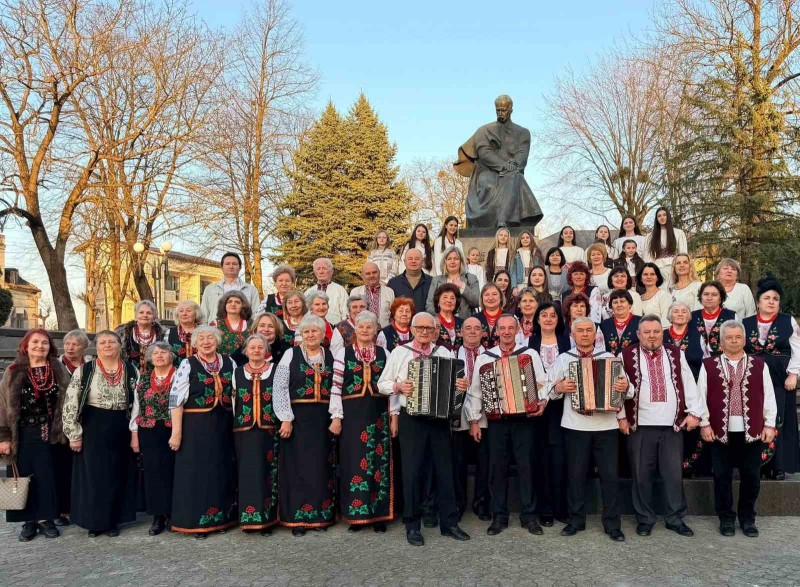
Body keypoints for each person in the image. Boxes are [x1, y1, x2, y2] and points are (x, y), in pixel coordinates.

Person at [377, 312, 471, 546]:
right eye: (420, 328)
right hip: (412, 419)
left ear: (435, 331)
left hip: (439, 420)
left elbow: (456, 388)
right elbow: (382, 385)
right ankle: (412, 526)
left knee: (445, 471)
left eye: (429, 328)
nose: (425, 332)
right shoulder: (400, 352)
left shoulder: (444, 353)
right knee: (412, 472)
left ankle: (449, 524)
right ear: (412, 330)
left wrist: (462, 385)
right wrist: (399, 386)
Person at [545, 318, 633, 542]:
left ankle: (612, 524)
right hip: (575, 426)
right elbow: (547, 390)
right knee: (575, 476)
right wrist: (559, 387)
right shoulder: (564, 359)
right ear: (572, 335)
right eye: (580, 331)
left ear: (595, 335)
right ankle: (576, 520)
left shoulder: (609, 358)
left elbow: (629, 390)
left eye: (588, 331)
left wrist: (624, 387)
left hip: (606, 427)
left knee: (610, 476)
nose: (584, 334)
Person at [619, 315, 703, 538]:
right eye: (647, 332)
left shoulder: (676, 353)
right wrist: (621, 417)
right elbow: (617, 388)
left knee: (673, 475)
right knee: (641, 475)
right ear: (638, 334)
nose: (652, 336)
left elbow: (688, 382)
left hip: (671, 425)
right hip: (639, 426)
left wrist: (695, 412)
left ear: (662, 333)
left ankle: (675, 518)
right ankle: (645, 519)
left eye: (656, 331)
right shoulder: (625, 355)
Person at [466, 315, 547, 536]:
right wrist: (474, 420)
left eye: (511, 328)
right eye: (502, 328)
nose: (507, 332)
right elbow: (475, 392)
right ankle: (499, 516)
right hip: (496, 422)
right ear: (497, 332)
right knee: (497, 469)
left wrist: (542, 401)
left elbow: (542, 383)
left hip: (524, 421)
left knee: (527, 467)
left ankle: (529, 516)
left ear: (517, 329)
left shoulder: (529, 354)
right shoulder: (486, 357)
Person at [698, 320, 777, 537]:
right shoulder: (709, 365)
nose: (734, 340)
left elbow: (768, 395)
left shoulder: (759, 364)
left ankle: (748, 519)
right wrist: (704, 423)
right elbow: (700, 396)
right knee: (721, 476)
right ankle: (726, 519)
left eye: (738, 337)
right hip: (719, 431)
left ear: (744, 340)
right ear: (721, 342)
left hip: (751, 431)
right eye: (729, 337)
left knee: (751, 477)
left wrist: (770, 424)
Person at [62, 330, 139, 537]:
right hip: (93, 425)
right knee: (94, 475)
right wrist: (74, 434)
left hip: (121, 425)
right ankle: (95, 522)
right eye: (102, 342)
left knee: (117, 473)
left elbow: (137, 404)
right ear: (96, 347)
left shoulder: (131, 370)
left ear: (119, 345)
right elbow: (71, 402)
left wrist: (134, 432)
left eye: (111, 342)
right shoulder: (85, 370)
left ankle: (112, 520)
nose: (107, 345)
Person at [0, 329, 71, 542]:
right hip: (23, 433)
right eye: (35, 342)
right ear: (26, 345)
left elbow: (70, 400)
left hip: (52, 431)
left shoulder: (57, 368)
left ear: (50, 347)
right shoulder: (13, 370)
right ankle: (28, 521)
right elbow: (3, 405)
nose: (40, 346)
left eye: (45, 343)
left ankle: (46, 518)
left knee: (49, 475)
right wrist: (4, 437)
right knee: (25, 475)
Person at [329, 312, 396, 532]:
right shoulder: (343, 353)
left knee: (378, 463)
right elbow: (336, 386)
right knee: (353, 462)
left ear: (376, 330)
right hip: (352, 417)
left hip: (378, 417)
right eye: (361, 327)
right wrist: (336, 417)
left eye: (369, 327)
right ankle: (356, 515)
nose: (365, 330)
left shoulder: (384, 353)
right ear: (355, 330)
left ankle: (378, 516)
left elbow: (391, 385)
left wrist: (394, 417)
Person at [169, 326, 237, 539]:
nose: (206, 342)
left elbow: (236, 395)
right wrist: (177, 433)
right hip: (195, 429)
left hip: (223, 427)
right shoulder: (187, 364)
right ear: (195, 343)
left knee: (221, 471)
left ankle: (222, 520)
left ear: (217, 341)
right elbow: (176, 400)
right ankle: (197, 523)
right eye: (202, 339)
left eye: (210, 338)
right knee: (196, 473)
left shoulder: (230, 362)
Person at [274, 316, 336, 536]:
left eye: (315, 331)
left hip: (323, 420)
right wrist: (285, 418)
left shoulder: (330, 355)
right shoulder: (291, 354)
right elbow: (280, 387)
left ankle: (320, 516)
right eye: (307, 331)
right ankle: (297, 518)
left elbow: (337, 387)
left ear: (322, 334)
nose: (311, 335)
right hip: (297, 419)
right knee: (297, 467)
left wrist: (336, 417)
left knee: (321, 466)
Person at [454, 94, 543, 228]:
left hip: (512, 172)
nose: (500, 113)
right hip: (487, 171)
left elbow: (522, 155)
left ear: (511, 110)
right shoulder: (484, 130)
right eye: (498, 110)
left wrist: (513, 165)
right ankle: (500, 221)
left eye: (504, 110)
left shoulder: (523, 132)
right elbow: (484, 152)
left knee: (514, 177)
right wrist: (504, 165)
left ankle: (504, 220)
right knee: (488, 185)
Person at [232, 334, 291, 535]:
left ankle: (268, 520)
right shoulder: (237, 372)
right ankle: (249, 519)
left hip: (269, 430)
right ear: (246, 351)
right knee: (247, 474)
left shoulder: (276, 370)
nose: (256, 350)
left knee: (268, 473)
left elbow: (283, 396)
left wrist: (286, 419)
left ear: (266, 350)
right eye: (252, 347)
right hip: (244, 432)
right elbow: (233, 402)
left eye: (260, 347)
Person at [743, 276, 800, 480]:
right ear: (758, 302)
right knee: (756, 417)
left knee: (779, 419)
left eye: (775, 299)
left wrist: (794, 374)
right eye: (766, 298)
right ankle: (758, 465)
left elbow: (797, 349)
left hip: (780, 378)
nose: (771, 302)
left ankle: (778, 466)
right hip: (753, 377)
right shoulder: (746, 323)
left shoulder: (787, 321)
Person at [528, 302, 572, 526]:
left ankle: (560, 508)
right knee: (540, 458)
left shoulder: (567, 341)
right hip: (536, 407)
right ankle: (544, 509)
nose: (548, 319)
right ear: (537, 319)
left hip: (562, 406)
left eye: (552, 315)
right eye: (543, 315)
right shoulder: (528, 342)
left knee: (560, 458)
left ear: (558, 319)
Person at [129, 342, 176, 536]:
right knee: (153, 473)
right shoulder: (143, 378)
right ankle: (158, 516)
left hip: (173, 429)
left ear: (171, 356)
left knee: (173, 471)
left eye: (163, 352)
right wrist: (134, 434)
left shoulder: (180, 375)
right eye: (155, 353)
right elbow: (136, 407)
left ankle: (173, 513)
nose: (159, 356)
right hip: (148, 430)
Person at [452, 317, 490, 520]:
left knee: (485, 461)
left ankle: (481, 503)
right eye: (468, 328)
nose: (473, 332)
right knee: (459, 462)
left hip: (484, 415)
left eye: (477, 328)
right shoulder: (451, 354)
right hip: (459, 415)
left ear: (483, 333)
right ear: (461, 332)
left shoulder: (491, 355)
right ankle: (459, 504)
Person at [56, 329, 91, 525]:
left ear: (84, 347)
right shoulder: (56, 365)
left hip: (87, 422)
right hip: (61, 423)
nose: (70, 348)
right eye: (67, 344)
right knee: (62, 466)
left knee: (82, 467)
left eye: (75, 344)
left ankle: (80, 505)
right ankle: (62, 509)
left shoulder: (91, 365)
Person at [200, 252, 261, 323]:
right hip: (214, 329)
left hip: (243, 329)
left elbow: (256, 316)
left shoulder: (251, 290)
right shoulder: (210, 289)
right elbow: (203, 315)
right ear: (222, 267)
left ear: (240, 267)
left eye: (234, 264)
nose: (231, 266)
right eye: (227, 264)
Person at [426, 246, 480, 319]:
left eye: (456, 259)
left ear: (461, 261)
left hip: (465, 322)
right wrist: (440, 318)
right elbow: (429, 305)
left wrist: (463, 287)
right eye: (449, 259)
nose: (452, 262)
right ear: (445, 262)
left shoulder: (471, 278)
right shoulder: (436, 280)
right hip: (441, 322)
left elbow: (477, 302)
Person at [115, 300, 166, 373]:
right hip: (128, 375)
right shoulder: (122, 333)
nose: (145, 315)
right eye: (141, 312)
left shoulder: (164, 335)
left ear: (154, 317)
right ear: (136, 316)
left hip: (155, 376)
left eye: (149, 313)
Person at [644, 207, 688, 287]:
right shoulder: (650, 236)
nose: (662, 217)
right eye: (659, 216)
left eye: (664, 215)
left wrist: (680, 268)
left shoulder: (678, 233)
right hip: (658, 270)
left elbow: (683, 254)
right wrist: (651, 271)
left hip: (674, 269)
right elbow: (647, 257)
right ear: (656, 219)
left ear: (668, 216)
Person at [692, 281, 737, 359]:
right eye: (706, 294)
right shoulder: (692, 316)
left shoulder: (731, 316)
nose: (709, 298)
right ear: (701, 297)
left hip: (724, 359)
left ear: (720, 298)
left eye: (714, 294)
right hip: (696, 361)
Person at [210, 290, 252, 363]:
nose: (233, 304)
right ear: (224, 305)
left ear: (243, 306)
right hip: (222, 365)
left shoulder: (252, 324)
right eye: (229, 302)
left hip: (246, 365)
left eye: (237, 302)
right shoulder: (215, 324)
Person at [305, 258, 349, 325]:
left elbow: (346, 315)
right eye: (318, 269)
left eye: (324, 268)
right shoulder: (308, 292)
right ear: (315, 272)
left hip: (335, 329)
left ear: (331, 271)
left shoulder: (340, 290)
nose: (321, 271)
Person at [388, 248, 433, 315]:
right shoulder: (393, 283)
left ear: (422, 262)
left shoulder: (432, 282)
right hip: (401, 321)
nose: (413, 261)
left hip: (425, 321)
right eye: (410, 259)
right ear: (404, 262)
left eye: (417, 259)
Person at [351, 261, 395, 328]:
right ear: (362, 276)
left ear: (379, 273)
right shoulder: (355, 292)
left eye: (374, 272)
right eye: (368, 273)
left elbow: (393, 316)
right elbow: (351, 315)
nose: (372, 276)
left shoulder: (389, 292)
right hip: (362, 332)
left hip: (384, 332)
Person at [599, 290, 641, 356]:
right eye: (615, 302)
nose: (619, 305)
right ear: (611, 306)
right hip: (610, 361)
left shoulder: (641, 322)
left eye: (622, 301)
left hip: (634, 360)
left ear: (630, 304)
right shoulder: (604, 325)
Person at [165, 300, 202, 367]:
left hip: (200, 371)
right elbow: (164, 354)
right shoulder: (169, 332)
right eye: (181, 311)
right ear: (177, 315)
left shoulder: (204, 332)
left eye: (188, 311)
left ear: (196, 314)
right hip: (176, 371)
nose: (184, 314)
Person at [510, 230, 545, 294]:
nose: (525, 239)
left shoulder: (537, 253)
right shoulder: (516, 254)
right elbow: (513, 272)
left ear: (531, 239)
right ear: (520, 240)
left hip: (534, 283)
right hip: (520, 284)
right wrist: (514, 287)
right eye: (522, 238)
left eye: (527, 237)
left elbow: (541, 269)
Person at [431, 283, 463, 352]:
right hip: (439, 356)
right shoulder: (432, 322)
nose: (449, 301)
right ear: (438, 301)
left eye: (452, 298)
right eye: (445, 297)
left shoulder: (462, 323)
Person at [475, 283, 504, 350]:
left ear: (501, 297)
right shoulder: (474, 319)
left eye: (494, 294)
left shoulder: (510, 318)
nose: (490, 298)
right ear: (482, 298)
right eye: (487, 295)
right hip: (480, 356)